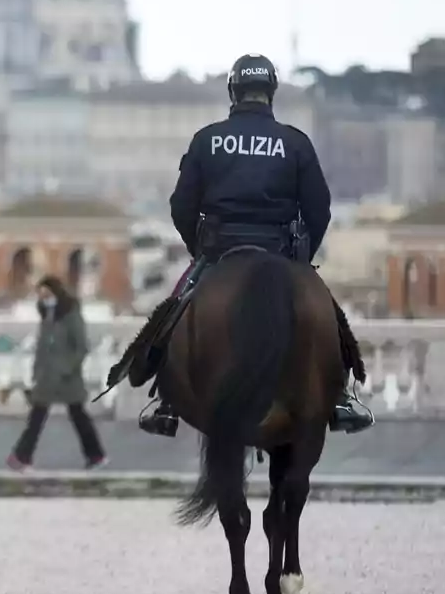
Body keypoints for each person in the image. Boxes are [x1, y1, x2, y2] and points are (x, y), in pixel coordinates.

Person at [138, 53, 375, 437]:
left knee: (173, 312)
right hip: (280, 252)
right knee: (330, 319)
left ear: (234, 92)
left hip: (219, 250)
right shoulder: (296, 143)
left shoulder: (207, 139)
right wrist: (302, 261)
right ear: (272, 92)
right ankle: (341, 398)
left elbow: (180, 206)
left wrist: (197, 248)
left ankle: (164, 400)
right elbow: (320, 210)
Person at [7, 276, 108, 471]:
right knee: (36, 418)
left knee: (79, 417)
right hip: (46, 378)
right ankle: (21, 457)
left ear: (55, 293)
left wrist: (65, 368)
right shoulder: (46, 314)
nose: (43, 298)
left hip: (66, 378)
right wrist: (36, 372)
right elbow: (41, 347)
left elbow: (81, 347)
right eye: (41, 294)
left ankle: (95, 456)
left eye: (46, 294)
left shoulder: (71, 314)